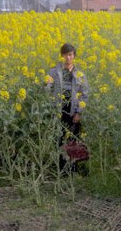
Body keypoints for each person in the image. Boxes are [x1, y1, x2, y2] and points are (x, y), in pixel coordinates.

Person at [46, 43, 89, 172]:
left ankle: (73, 169)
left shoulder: (80, 75)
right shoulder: (53, 72)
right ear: (61, 56)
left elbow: (85, 95)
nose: (68, 57)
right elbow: (47, 90)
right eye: (65, 55)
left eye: (70, 55)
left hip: (73, 111)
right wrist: (47, 86)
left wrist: (79, 112)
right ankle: (60, 169)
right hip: (59, 110)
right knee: (58, 139)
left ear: (74, 56)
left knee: (74, 140)